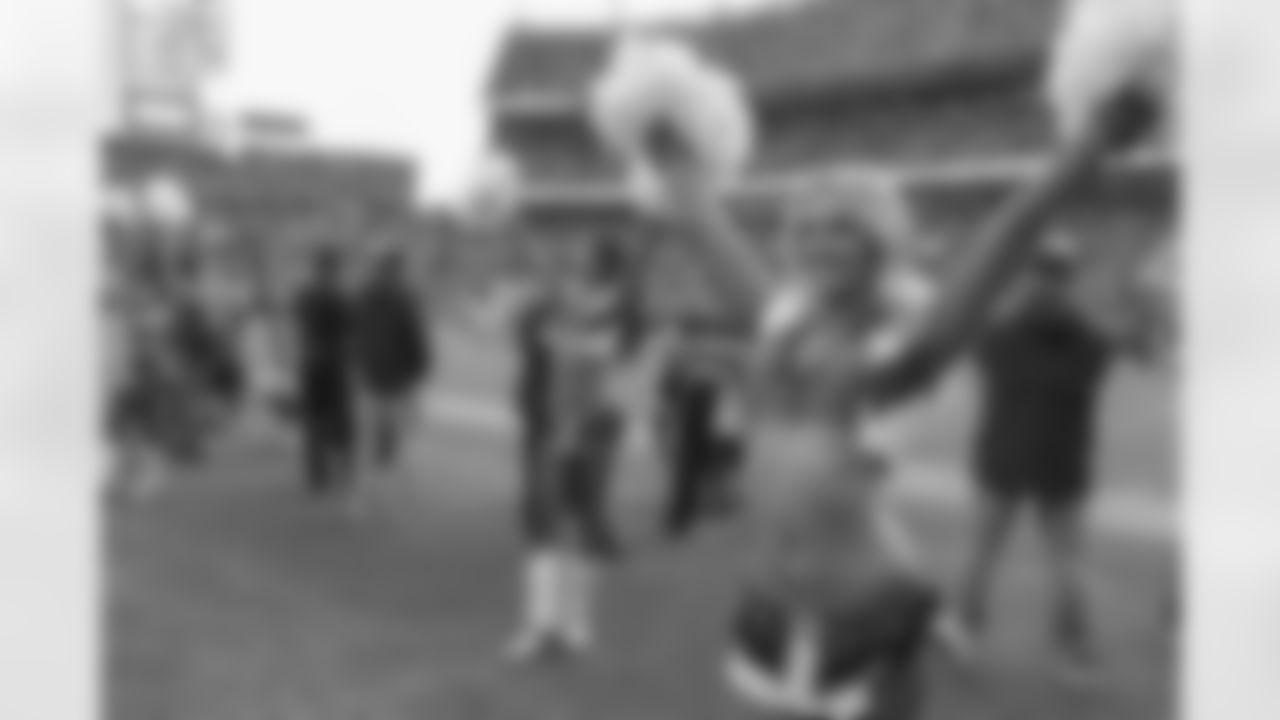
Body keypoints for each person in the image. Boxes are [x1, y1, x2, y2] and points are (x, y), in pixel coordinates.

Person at [957, 235, 1159, 675]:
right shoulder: (1090, 341)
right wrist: (1136, 309)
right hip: (1061, 465)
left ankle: (967, 631)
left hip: (1003, 458)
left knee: (983, 555)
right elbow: (1138, 347)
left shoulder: (999, 335)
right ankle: (1073, 648)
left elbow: (978, 331)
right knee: (1064, 563)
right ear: (1069, 278)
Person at [504, 237, 646, 662]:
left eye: (584, 255)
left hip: (596, 425)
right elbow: (525, 334)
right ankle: (541, 624)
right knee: (542, 517)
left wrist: (569, 333)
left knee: (585, 517)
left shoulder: (627, 309)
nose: (575, 261)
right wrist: (543, 305)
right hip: (548, 420)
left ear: (604, 265)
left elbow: (623, 355)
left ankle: (575, 622)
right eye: (575, 256)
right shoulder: (553, 301)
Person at [353, 248, 432, 474]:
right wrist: (419, 367)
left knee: (377, 426)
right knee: (389, 425)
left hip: (374, 371)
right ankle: (383, 462)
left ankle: (380, 460)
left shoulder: (365, 296)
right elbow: (414, 336)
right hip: (393, 374)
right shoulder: (403, 298)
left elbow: (354, 333)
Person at [293, 245, 357, 500]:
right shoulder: (340, 297)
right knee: (340, 418)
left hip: (311, 360)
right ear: (334, 268)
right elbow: (351, 330)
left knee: (314, 418)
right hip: (334, 362)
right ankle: (343, 469)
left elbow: (300, 323)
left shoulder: (304, 294)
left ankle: (316, 473)